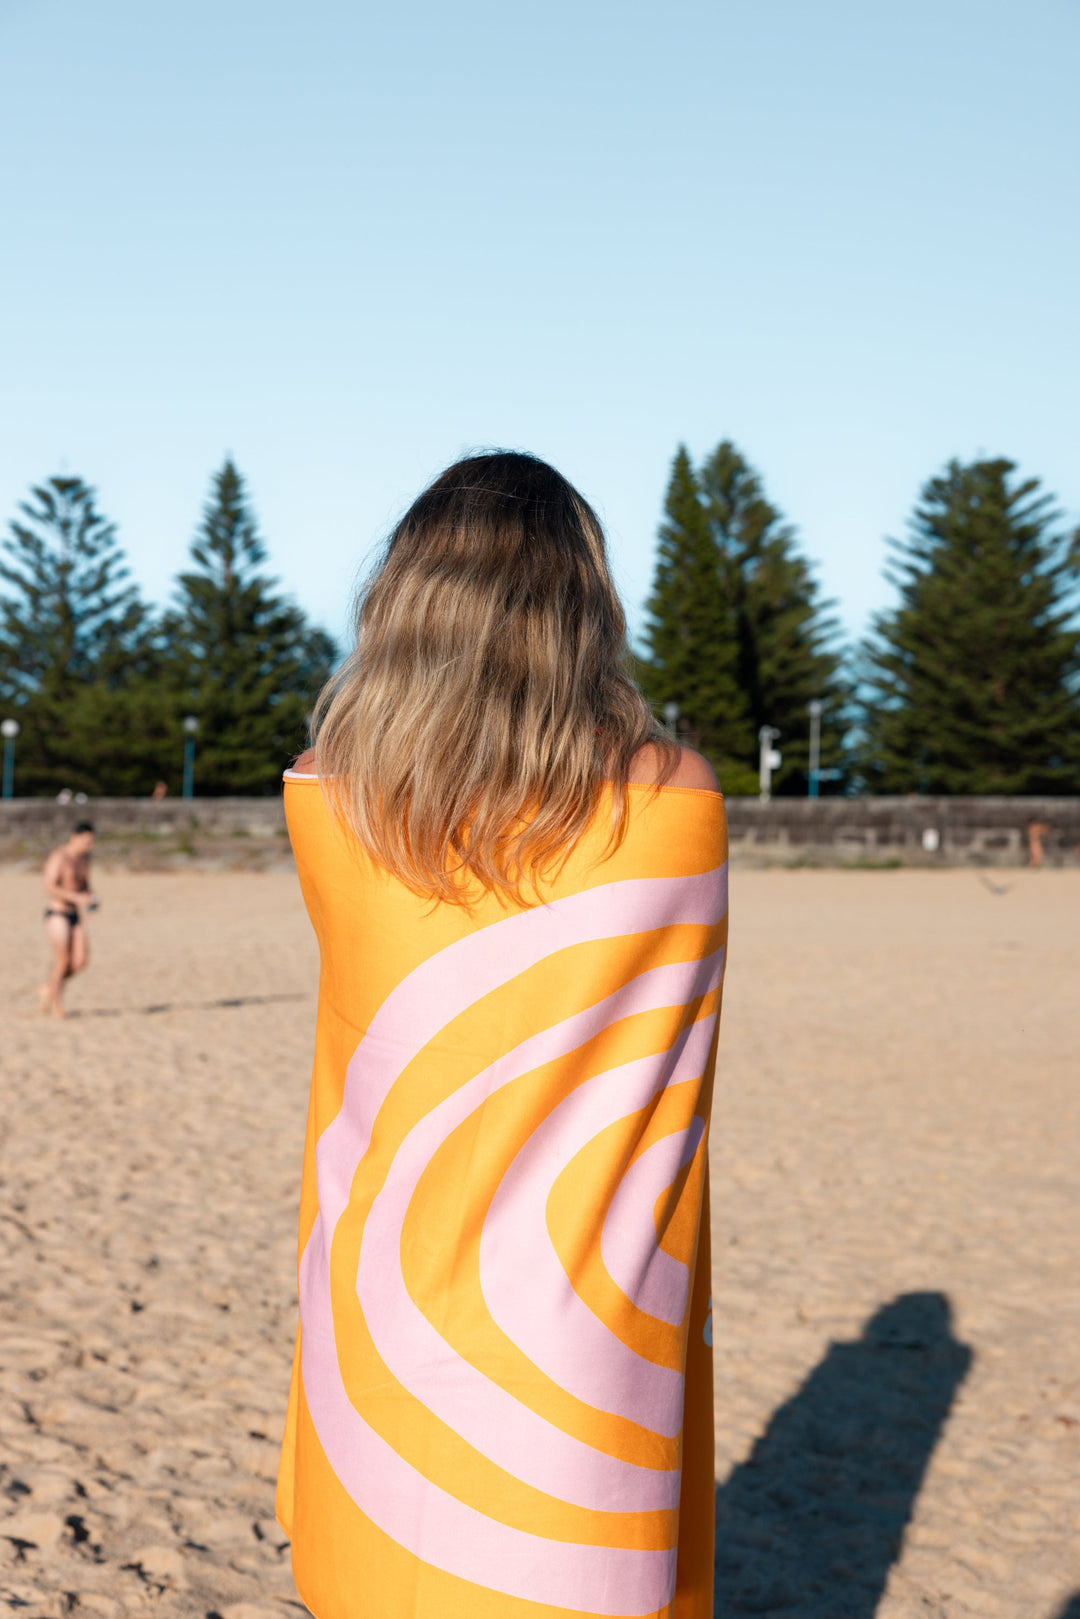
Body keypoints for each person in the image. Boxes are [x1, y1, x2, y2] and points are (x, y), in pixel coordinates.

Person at [275, 453, 728, 1619]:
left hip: (374, 1332)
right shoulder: (676, 802)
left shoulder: (328, 798)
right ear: (584, 603)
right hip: (577, 1353)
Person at [40, 819, 97, 1018]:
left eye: (91, 842)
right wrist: (76, 898)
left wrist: (89, 901)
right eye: (86, 841)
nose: (89, 846)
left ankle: (49, 987)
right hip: (57, 913)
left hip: (75, 913)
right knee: (62, 960)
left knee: (80, 960)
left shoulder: (84, 859)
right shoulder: (59, 856)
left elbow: (84, 885)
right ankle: (56, 1004)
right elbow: (49, 887)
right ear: (75, 837)